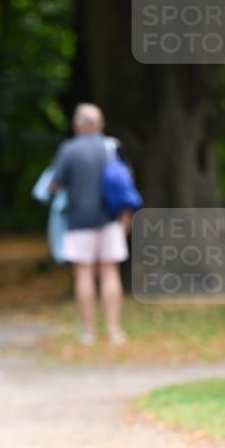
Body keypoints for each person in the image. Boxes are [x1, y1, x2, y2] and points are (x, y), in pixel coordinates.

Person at [49, 103, 132, 345]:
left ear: (77, 125)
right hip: (110, 219)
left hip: (78, 221)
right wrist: (125, 217)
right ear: (100, 125)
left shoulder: (69, 150)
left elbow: (54, 186)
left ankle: (88, 332)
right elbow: (125, 183)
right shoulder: (113, 147)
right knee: (110, 272)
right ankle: (115, 331)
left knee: (83, 273)